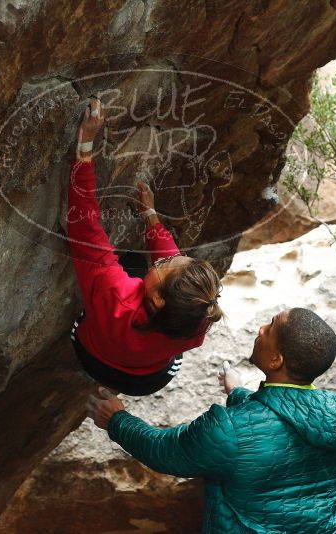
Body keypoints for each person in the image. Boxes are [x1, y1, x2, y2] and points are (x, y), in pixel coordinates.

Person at [86, 307, 336, 533]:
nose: (261, 329)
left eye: (270, 327)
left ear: (276, 360)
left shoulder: (228, 430)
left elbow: (166, 451)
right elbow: (284, 417)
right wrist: (238, 391)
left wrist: (116, 420)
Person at [67, 97, 224, 396]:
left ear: (159, 300)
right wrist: (151, 218)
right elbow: (173, 266)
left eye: (163, 265)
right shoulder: (199, 315)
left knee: (119, 275)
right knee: (141, 266)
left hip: (94, 357)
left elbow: (84, 229)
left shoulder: (115, 294)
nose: (164, 259)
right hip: (147, 379)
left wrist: (85, 147)